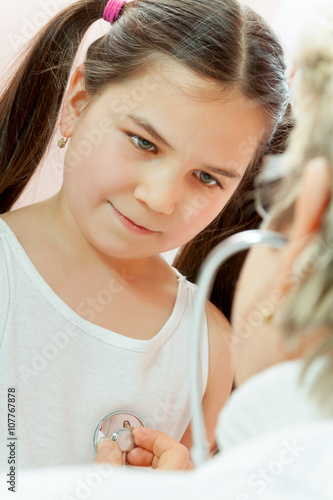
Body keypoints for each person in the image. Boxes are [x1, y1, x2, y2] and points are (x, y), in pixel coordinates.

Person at [0, 0, 290, 470]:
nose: (160, 199)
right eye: (143, 142)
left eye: (207, 178)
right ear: (78, 103)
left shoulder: (206, 346)